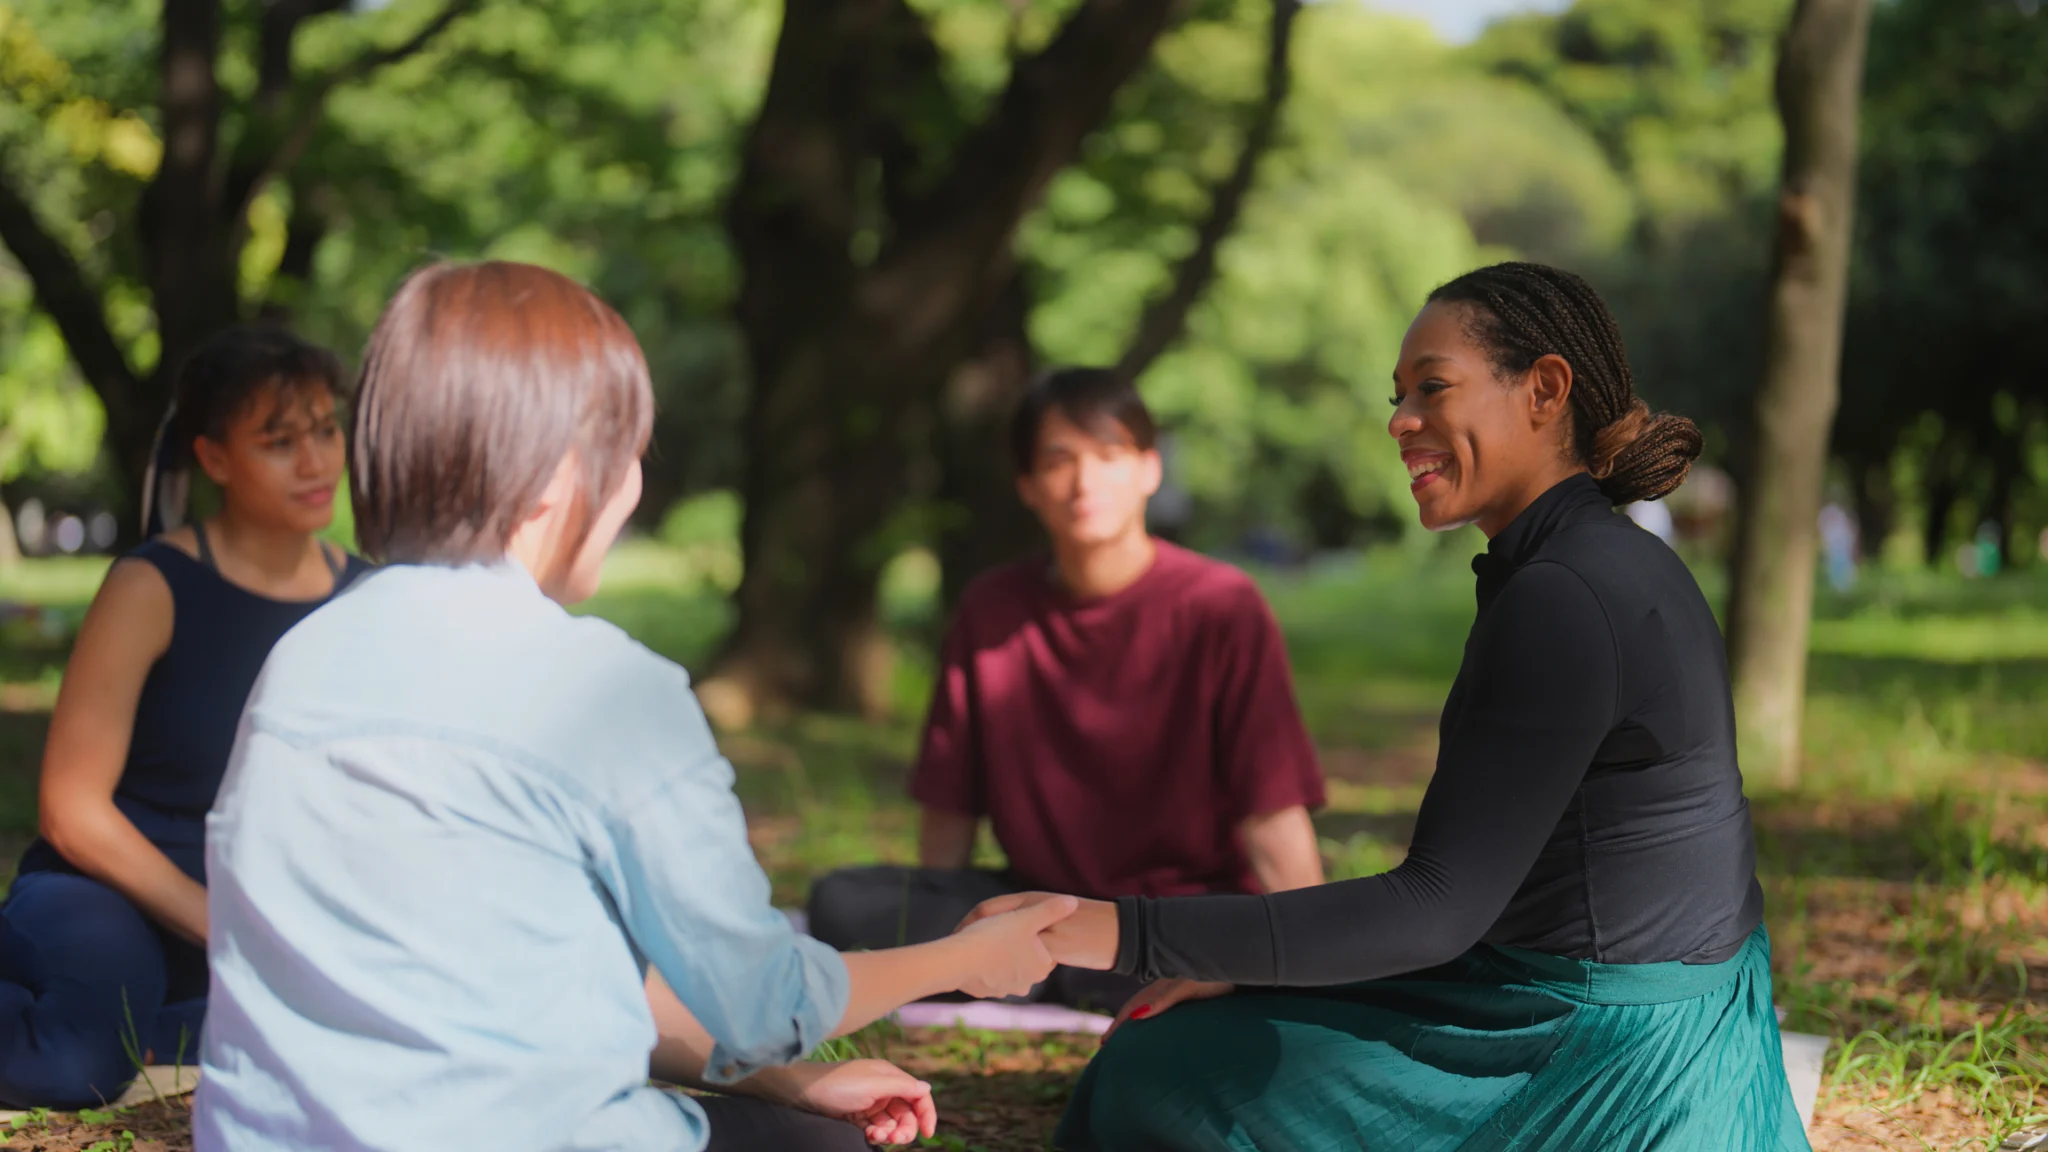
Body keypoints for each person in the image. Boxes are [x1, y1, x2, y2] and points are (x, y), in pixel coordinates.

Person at [193, 262, 1078, 1152]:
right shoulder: (606, 690)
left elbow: (550, 972)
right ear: (559, 473)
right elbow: (768, 1002)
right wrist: (965, 961)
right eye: (630, 456)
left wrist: (791, 1079)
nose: (633, 489)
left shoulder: (301, 658)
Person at [963, 263, 1810, 1151]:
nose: (1402, 421)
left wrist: (1109, 930)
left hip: (1607, 1050)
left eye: (1433, 388)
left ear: (1545, 391)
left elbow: (1435, 908)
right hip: (1602, 992)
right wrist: (1244, 965)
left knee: (1158, 1076)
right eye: (1399, 396)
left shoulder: (1566, 594)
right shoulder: (1595, 562)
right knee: (1190, 1031)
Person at [805, 367, 1327, 1013]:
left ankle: (1060, 968)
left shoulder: (1221, 606)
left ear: (1149, 469)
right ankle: (1060, 967)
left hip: (1178, 912)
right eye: (1059, 461)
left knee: (1206, 943)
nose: (1085, 484)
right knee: (842, 901)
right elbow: (951, 805)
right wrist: (938, 942)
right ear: (1027, 485)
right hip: (1040, 902)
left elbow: (1270, 810)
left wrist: (1307, 953)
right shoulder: (991, 610)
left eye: (1109, 456)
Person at [0, 327, 369, 1108]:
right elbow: (71, 810)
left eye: (326, 429)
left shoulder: (366, 599)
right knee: (72, 1062)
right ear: (214, 459)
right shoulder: (152, 585)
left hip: (269, 903)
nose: (315, 461)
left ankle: (165, 1035)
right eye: (279, 440)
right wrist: (222, 924)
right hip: (109, 887)